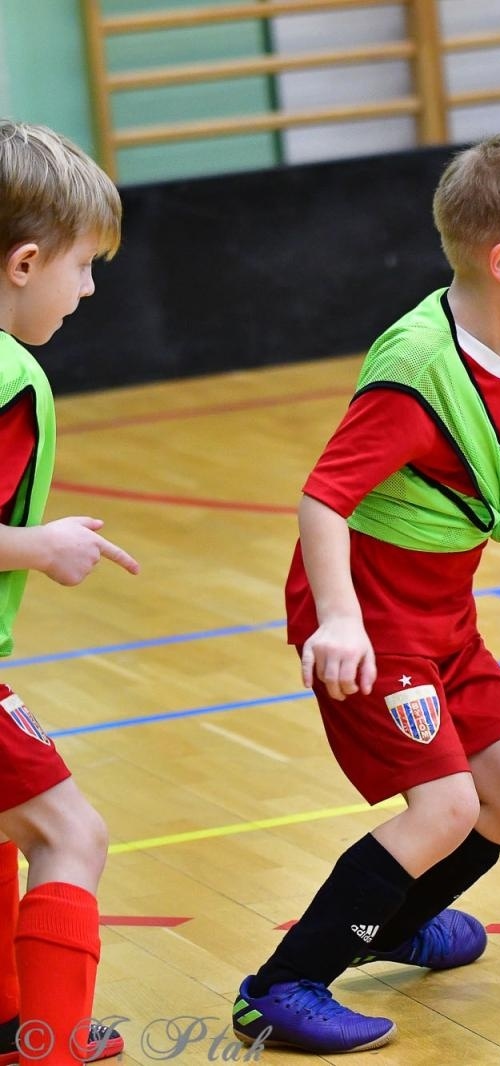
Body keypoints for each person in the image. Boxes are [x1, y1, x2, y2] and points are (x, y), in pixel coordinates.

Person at [231, 133, 500, 1053]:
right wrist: (340, 620)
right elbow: (324, 496)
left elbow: (480, 463)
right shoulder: (417, 364)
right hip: (375, 621)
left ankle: (390, 920)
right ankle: (285, 983)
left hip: (439, 617)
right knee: (448, 807)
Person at [0, 120, 137, 1065]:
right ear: (25, 260)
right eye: (84, 266)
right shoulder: (11, 377)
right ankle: (48, 1046)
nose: (88, 289)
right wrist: (38, 546)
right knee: (71, 834)